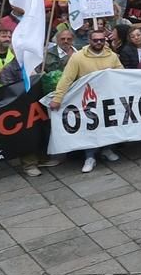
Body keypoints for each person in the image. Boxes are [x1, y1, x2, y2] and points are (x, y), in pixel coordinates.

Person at [49, 27, 124, 173]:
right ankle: (90, 157)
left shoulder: (112, 56)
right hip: (87, 100)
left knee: (109, 125)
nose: (98, 42)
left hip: (108, 98)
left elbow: (121, 74)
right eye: (95, 40)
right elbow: (66, 78)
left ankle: (107, 149)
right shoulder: (78, 57)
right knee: (90, 129)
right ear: (89, 40)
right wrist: (58, 98)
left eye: (101, 40)